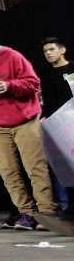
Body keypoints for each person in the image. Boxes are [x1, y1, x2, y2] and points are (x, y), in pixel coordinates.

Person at [0, 27, 57, 230]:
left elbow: (33, 83)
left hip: (25, 119)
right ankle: (27, 213)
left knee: (35, 167)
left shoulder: (12, 56)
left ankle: (47, 212)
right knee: (8, 171)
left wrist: (9, 85)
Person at [40, 36, 73, 214]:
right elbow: (47, 101)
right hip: (57, 126)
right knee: (62, 167)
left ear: (62, 50)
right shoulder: (45, 75)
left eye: (51, 49)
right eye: (45, 51)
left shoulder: (72, 68)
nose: (48, 53)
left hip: (72, 120)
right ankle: (67, 206)